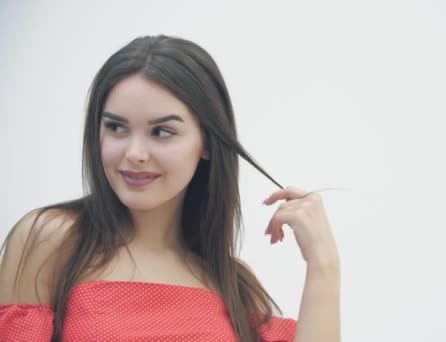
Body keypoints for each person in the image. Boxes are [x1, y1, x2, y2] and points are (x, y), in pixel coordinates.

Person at [0, 35, 340, 341]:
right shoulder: (52, 241)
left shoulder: (231, 284)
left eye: (162, 132)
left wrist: (323, 264)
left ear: (206, 142)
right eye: (116, 127)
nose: (134, 154)